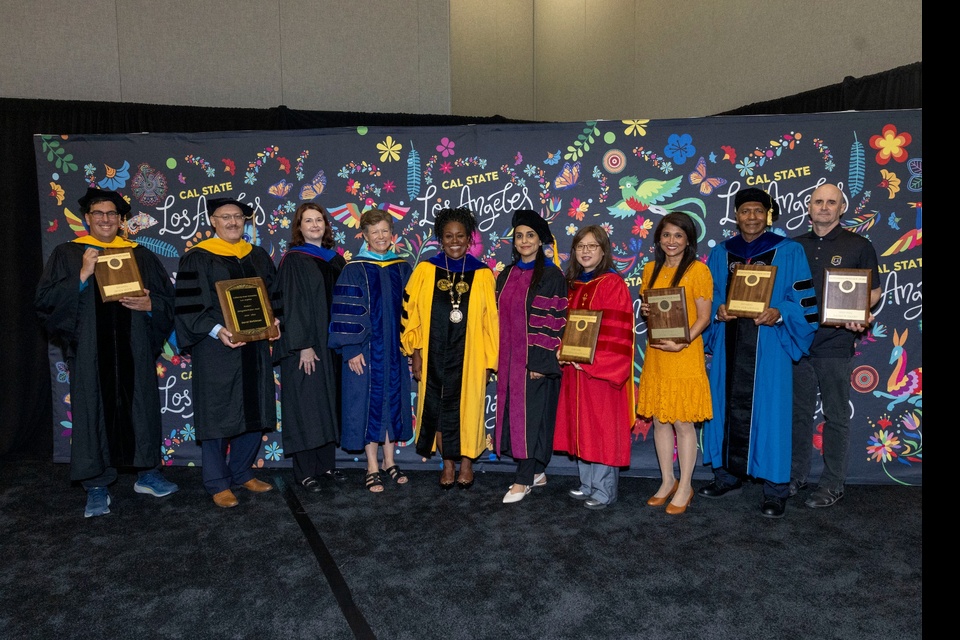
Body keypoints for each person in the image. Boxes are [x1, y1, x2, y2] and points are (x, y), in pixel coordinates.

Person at [35, 187, 178, 517]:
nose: (105, 219)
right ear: (87, 218)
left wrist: (151, 305)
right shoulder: (69, 254)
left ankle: (147, 474)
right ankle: (96, 485)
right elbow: (45, 304)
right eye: (98, 213)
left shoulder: (140, 255)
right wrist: (82, 276)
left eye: (112, 213)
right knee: (92, 412)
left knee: (140, 406)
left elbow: (166, 301)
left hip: (134, 349)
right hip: (90, 353)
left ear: (121, 219)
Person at [700, 187, 818, 518]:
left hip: (770, 345)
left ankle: (775, 489)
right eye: (744, 211)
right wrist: (718, 309)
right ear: (735, 216)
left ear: (768, 215)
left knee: (772, 414)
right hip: (729, 343)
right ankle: (727, 476)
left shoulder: (789, 251)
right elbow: (710, 295)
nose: (751, 217)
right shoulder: (722, 252)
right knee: (724, 408)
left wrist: (780, 313)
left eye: (758, 211)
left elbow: (803, 299)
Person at [174, 197, 280, 508]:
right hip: (216, 349)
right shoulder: (198, 257)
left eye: (238, 217)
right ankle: (217, 482)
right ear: (212, 221)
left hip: (255, 346)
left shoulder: (257, 255)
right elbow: (189, 306)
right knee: (218, 412)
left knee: (255, 410)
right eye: (225, 217)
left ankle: (242, 471)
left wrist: (275, 319)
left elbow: (274, 295)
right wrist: (216, 329)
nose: (233, 222)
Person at [791, 183, 881, 508]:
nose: (824, 207)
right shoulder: (794, 246)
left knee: (836, 416)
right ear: (809, 206)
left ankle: (832, 484)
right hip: (798, 343)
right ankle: (795, 477)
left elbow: (873, 291)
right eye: (819, 201)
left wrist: (861, 313)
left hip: (836, 343)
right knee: (798, 414)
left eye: (832, 202)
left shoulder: (859, 245)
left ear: (842, 208)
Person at [400, 207, 498, 489]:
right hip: (433, 356)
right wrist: (415, 352)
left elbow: (490, 322)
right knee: (439, 412)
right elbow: (412, 314)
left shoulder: (482, 274)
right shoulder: (425, 271)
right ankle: (448, 464)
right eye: (448, 236)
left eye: (460, 236)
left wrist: (490, 361)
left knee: (469, 411)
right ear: (440, 240)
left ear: (469, 239)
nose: (454, 241)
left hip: (471, 357)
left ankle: (467, 464)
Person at [329, 208, 413, 493]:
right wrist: (351, 348)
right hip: (364, 350)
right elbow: (344, 312)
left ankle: (390, 461)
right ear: (364, 235)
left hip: (395, 351)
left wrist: (411, 348)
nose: (380, 236)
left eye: (385, 231)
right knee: (366, 404)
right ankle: (372, 466)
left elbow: (412, 312)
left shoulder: (402, 267)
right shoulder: (354, 269)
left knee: (392, 402)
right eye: (374, 232)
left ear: (392, 234)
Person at [636, 212, 712, 515]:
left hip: (684, 353)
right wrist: (646, 310)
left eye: (679, 235)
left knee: (683, 422)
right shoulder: (650, 269)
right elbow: (652, 310)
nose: (672, 241)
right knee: (659, 420)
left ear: (688, 240)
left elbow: (704, 317)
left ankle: (685, 485)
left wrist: (683, 341)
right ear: (658, 238)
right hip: (657, 354)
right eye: (666, 234)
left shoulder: (698, 271)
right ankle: (667, 480)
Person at [554, 225, 635, 510]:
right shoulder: (574, 285)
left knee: (601, 427)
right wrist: (563, 350)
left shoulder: (612, 284)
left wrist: (592, 360)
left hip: (600, 372)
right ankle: (588, 484)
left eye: (592, 246)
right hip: (575, 371)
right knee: (582, 425)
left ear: (603, 251)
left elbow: (617, 335)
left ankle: (604, 490)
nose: (585, 251)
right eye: (580, 246)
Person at [495, 209, 568, 504]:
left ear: (540, 241)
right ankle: (537, 472)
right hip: (509, 361)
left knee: (531, 419)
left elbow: (553, 319)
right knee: (520, 418)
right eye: (519, 236)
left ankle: (523, 479)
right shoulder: (507, 274)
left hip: (533, 361)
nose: (524, 241)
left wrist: (539, 361)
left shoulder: (551, 275)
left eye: (530, 235)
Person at [273, 203, 347, 494]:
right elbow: (291, 304)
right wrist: (303, 345)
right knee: (306, 405)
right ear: (299, 227)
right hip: (306, 346)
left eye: (319, 220)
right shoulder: (294, 260)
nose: (315, 225)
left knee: (327, 403)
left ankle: (325, 465)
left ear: (326, 225)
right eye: (308, 220)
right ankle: (304, 471)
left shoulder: (336, 260)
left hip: (331, 346)